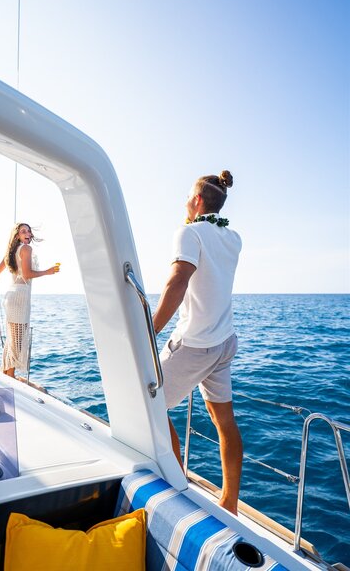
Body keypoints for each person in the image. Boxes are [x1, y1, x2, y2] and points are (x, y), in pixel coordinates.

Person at [152, 170, 242, 515]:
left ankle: (176, 488)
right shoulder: (233, 237)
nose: (185, 201)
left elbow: (179, 279)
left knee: (149, 403)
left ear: (198, 200)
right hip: (224, 342)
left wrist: (152, 328)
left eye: (189, 196)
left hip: (195, 343)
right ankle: (229, 501)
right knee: (224, 421)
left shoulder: (188, 232)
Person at [0, 223, 60, 379]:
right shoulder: (26, 249)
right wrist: (48, 272)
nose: (27, 233)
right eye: (23, 231)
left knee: (12, 339)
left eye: (29, 231)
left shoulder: (10, 253)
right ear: (17, 235)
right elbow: (27, 274)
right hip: (20, 298)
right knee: (17, 341)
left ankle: (6, 374)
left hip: (11, 297)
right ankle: (10, 378)